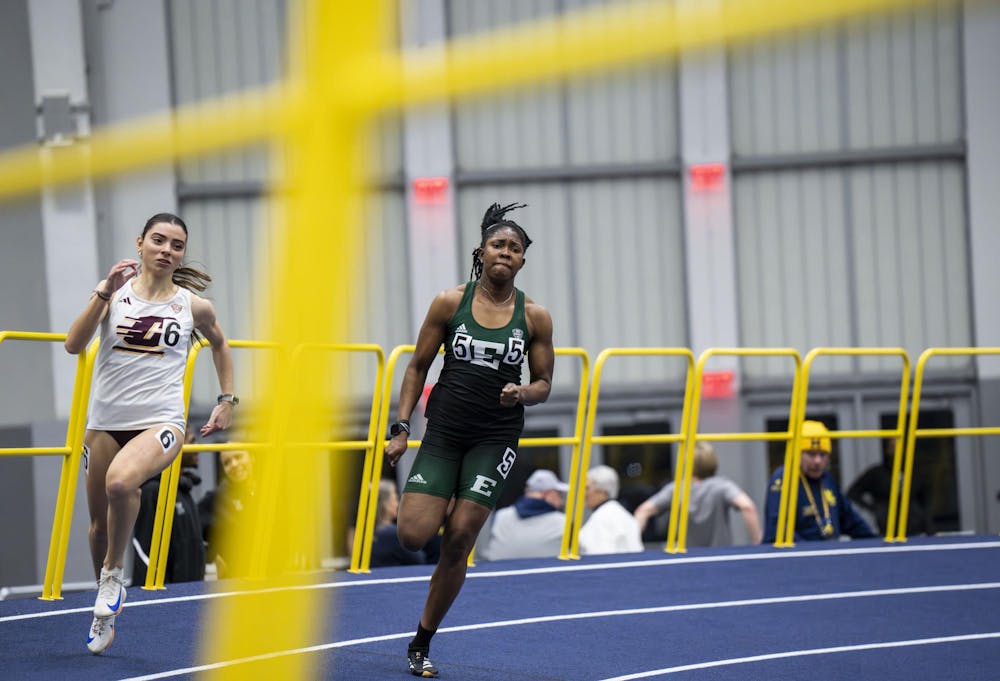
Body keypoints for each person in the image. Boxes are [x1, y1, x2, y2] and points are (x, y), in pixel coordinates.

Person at [383, 202, 554, 678]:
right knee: (414, 535)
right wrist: (400, 428)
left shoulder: (535, 316)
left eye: (514, 249)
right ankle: (444, 493)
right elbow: (417, 366)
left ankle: (421, 640)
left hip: (494, 439)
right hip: (444, 435)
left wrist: (522, 391)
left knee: (458, 540)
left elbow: (544, 384)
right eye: (498, 244)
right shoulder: (448, 302)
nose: (505, 253)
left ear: (522, 261)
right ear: (482, 252)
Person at [65, 212, 235, 655]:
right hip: (104, 422)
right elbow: (73, 343)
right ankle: (103, 605)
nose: (166, 250)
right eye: (158, 240)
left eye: (176, 245)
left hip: (161, 421)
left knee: (121, 481)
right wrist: (104, 291)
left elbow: (219, 343)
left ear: (181, 255)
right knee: (99, 527)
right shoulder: (113, 295)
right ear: (140, 244)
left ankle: (113, 576)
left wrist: (226, 399)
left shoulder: (193, 306)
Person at [762, 420, 877, 543]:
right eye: (811, 454)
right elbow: (778, 529)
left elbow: (851, 520)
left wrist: (878, 542)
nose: (817, 461)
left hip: (826, 553)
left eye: (822, 455)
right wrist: (812, 551)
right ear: (797, 454)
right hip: (794, 557)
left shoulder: (827, 479)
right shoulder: (783, 478)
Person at [633, 442, 763, 547]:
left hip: (688, 558)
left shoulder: (676, 489)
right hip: (720, 558)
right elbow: (747, 507)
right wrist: (757, 542)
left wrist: (634, 547)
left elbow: (643, 511)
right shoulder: (722, 486)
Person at [130, 427, 206, 585]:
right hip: (169, 598)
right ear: (174, 446)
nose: (198, 446)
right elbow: (145, 553)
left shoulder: (184, 490)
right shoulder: (153, 491)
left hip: (191, 593)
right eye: (192, 441)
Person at [847, 437, 934, 536]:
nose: (897, 451)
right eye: (892, 447)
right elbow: (853, 492)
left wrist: (929, 528)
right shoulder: (876, 473)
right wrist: (874, 509)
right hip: (885, 531)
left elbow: (925, 500)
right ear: (887, 450)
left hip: (915, 530)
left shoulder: (915, 472)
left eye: (900, 447)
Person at [346, 478, 441, 568]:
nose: (397, 503)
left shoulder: (359, 535)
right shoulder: (394, 534)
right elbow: (420, 561)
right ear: (385, 504)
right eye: (395, 498)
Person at [477, 468, 569, 561]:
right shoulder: (564, 522)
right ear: (547, 494)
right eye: (559, 493)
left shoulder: (500, 516)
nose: (561, 500)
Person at [198, 448, 256, 579]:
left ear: (252, 457)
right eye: (227, 462)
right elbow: (193, 536)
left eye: (238, 456)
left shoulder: (268, 491)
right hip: (234, 583)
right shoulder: (215, 499)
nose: (234, 464)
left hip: (272, 579)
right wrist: (214, 556)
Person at [577, 465, 644, 555]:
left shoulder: (602, 518)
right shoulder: (621, 514)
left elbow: (600, 559)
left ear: (603, 491)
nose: (583, 493)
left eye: (587, 488)